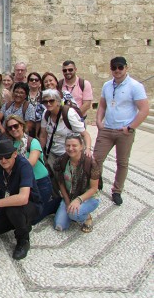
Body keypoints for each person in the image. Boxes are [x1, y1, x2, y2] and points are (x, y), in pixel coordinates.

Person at [0, 139, 42, 260]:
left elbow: (23, 198)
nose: (3, 160)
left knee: (14, 210)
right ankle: (21, 223)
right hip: (7, 204)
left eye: (7, 156)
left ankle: (23, 240)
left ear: (15, 154)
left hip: (29, 205)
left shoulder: (24, 166)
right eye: (0, 157)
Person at [93, 57, 148, 206]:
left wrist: (131, 127)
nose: (117, 70)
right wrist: (99, 121)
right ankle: (95, 184)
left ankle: (117, 190)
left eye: (120, 67)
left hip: (124, 131)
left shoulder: (135, 86)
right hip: (107, 128)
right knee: (96, 159)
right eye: (114, 67)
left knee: (122, 162)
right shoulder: (107, 85)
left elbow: (144, 110)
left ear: (126, 68)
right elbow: (103, 105)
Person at [5, 115, 60, 223]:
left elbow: (31, 164)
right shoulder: (11, 144)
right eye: (10, 128)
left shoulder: (33, 142)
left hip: (40, 182)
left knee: (34, 219)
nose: (13, 129)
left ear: (22, 125)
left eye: (15, 126)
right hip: (24, 183)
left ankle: (56, 203)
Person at [53, 134, 100, 233]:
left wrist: (78, 200)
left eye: (74, 145)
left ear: (81, 146)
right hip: (70, 195)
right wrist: (67, 201)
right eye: (68, 145)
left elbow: (94, 189)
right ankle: (74, 212)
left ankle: (86, 217)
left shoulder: (91, 163)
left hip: (88, 197)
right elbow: (61, 182)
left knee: (74, 214)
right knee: (59, 225)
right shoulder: (61, 161)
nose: (70, 148)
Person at [39, 89, 92, 172]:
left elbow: (84, 134)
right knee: (54, 179)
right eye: (45, 102)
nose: (48, 104)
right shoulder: (46, 113)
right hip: (52, 152)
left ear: (58, 101)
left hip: (68, 153)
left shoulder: (69, 114)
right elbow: (43, 135)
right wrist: (39, 151)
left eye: (51, 101)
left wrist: (88, 149)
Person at [27, 72, 44, 137]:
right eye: (31, 80)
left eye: (36, 80)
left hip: (40, 126)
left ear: (40, 83)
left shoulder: (44, 96)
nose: (34, 81)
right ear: (28, 82)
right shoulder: (23, 95)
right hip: (26, 125)